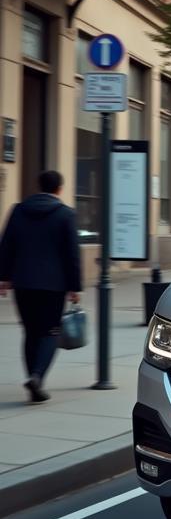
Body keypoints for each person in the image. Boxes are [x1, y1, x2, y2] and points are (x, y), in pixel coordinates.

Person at [0, 170, 82, 403]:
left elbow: (6, 245)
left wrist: (4, 277)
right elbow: (72, 254)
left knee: (30, 332)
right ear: (59, 189)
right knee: (50, 332)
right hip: (53, 286)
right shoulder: (66, 214)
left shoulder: (18, 210)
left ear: (39, 186)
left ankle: (32, 378)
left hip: (23, 283)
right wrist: (74, 287)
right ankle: (37, 377)